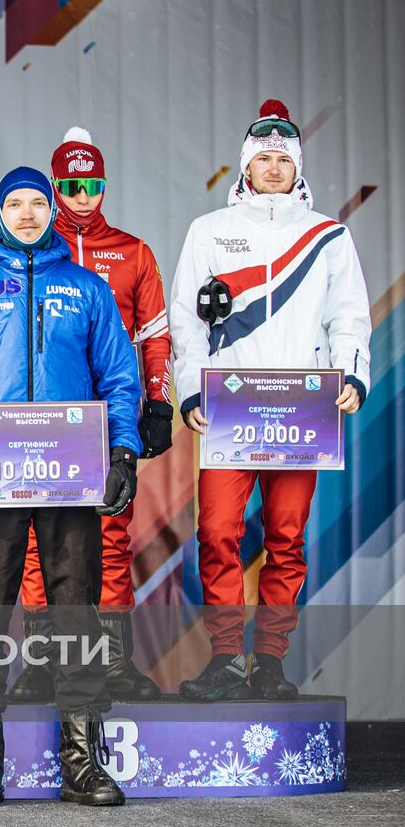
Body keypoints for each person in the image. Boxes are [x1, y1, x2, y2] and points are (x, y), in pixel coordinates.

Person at [0, 166, 141, 807]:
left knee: (75, 612)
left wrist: (122, 453)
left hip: (70, 478)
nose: (26, 213)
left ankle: (82, 764)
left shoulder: (87, 288)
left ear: (51, 211)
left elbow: (120, 376)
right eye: (14, 204)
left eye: (36, 203)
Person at [170, 100, 370, 700]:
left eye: (284, 158)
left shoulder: (328, 235)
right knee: (218, 532)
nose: (275, 167)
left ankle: (273, 662)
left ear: (297, 167)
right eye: (264, 158)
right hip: (230, 406)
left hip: (304, 409)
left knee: (286, 536)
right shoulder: (209, 230)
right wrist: (189, 392)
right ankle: (228, 659)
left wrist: (352, 376)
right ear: (246, 168)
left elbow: (348, 316)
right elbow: (187, 319)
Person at [11, 127, 173, 702]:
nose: (82, 196)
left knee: (109, 530)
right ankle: (40, 663)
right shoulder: (29, 251)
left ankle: (112, 661)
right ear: (55, 187)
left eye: (92, 184)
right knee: (33, 537)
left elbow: (154, 333)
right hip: (40, 419)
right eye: (71, 185)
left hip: (106, 418)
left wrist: (157, 400)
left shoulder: (133, 251)